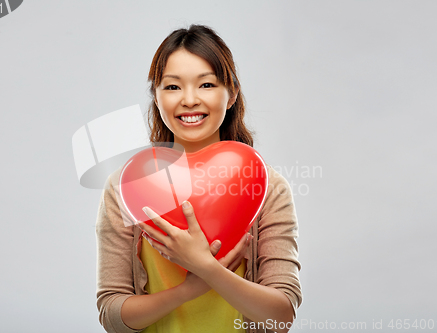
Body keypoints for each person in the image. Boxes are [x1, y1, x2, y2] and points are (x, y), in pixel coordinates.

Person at [96, 25, 302, 333]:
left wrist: (205, 267)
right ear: (156, 96)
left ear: (231, 94)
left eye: (206, 85)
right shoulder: (126, 187)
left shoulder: (267, 187)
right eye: (173, 87)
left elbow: (281, 318)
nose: (189, 100)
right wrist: (187, 290)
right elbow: (112, 315)